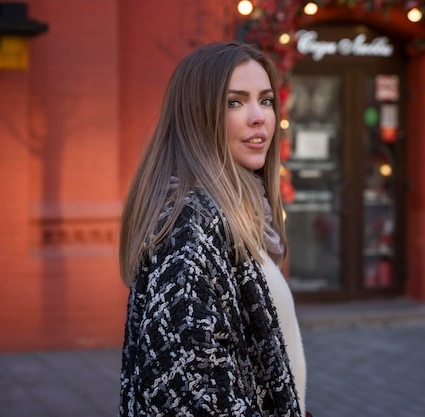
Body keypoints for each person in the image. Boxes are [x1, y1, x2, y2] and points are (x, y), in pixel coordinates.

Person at [118, 41, 308, 416]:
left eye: (266, 100)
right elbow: (188, 392)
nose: (259, 117)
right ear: (196, 117)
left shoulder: (243, 215)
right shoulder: (191, 225)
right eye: (234, 102)